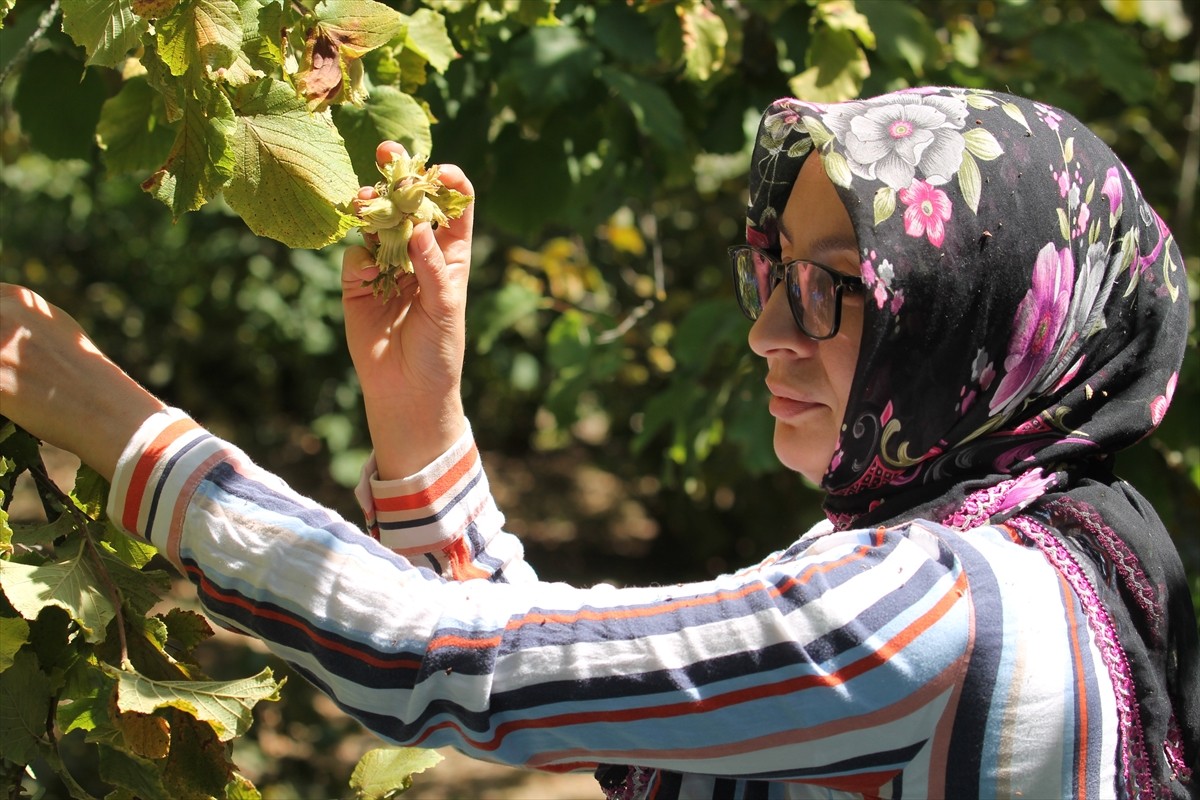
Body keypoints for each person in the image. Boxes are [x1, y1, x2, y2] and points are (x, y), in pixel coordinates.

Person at [1, 85, 1196, 799]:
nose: (769, 332)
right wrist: (420, 418)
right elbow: (575, 681)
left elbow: (443, 661)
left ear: (983, 318)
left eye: (836, 287)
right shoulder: (1047, 558)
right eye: (776, 272)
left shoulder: (926, 610)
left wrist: (110, 421)